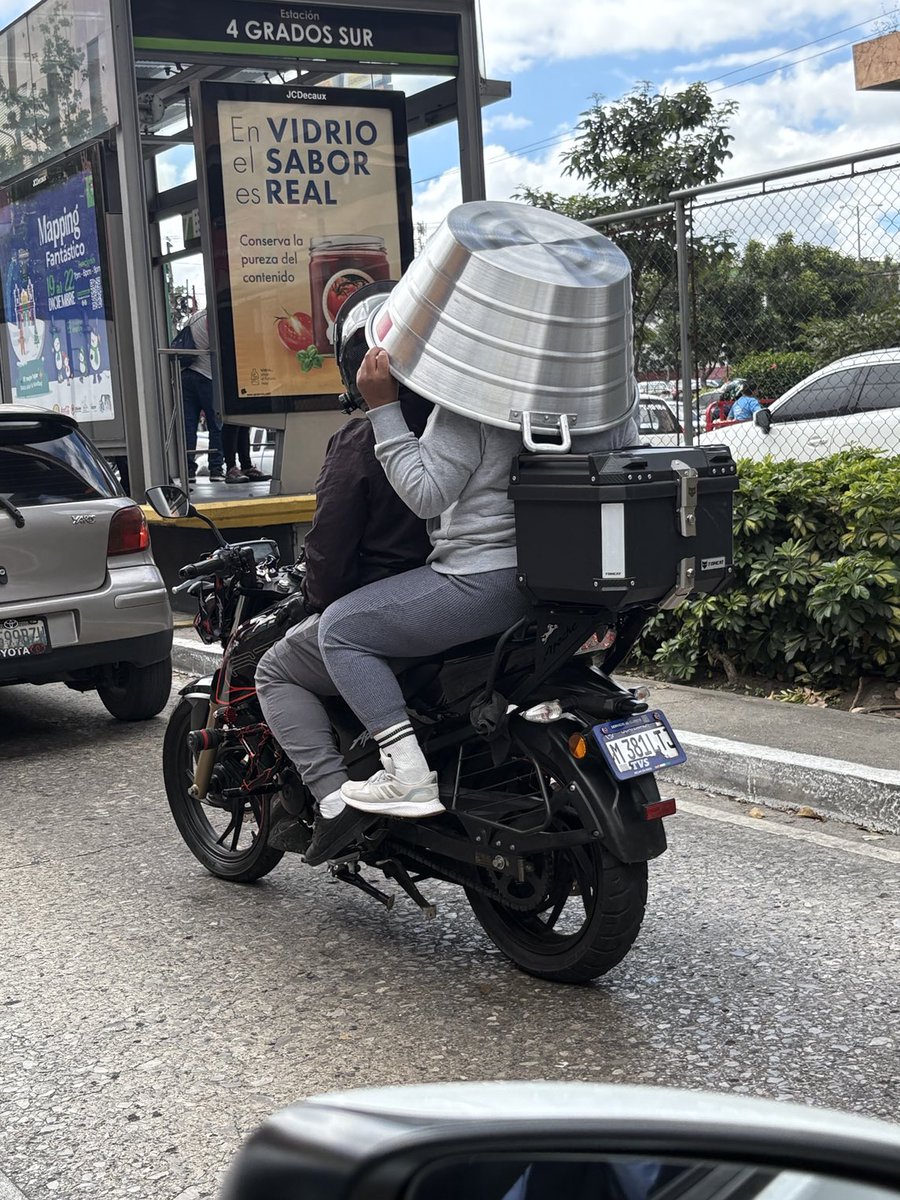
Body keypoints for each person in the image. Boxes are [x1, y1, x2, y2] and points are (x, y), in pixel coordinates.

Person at [312, 345, 638, 822]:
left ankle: (407, 774)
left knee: (340, 630)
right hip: (580, 580)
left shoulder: (478, 399)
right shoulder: (607, 394)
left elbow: (425, 496)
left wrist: (383, 408)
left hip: (487, 583)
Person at [255, 376, 433, 864]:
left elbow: (329, 548)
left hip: (395, 611)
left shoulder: (362, 439)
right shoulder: (463, 425)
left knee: (275, 669)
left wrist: (316, 597)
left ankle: (335, 802)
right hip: (483, 602)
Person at [180, 309, 224, 483]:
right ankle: (216, 469)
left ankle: (189, 470)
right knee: (216, 423)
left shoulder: (193, 319)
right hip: (206, 375)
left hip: (185, 374)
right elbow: (220, 344)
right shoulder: (213, 318)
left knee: (188, 427)